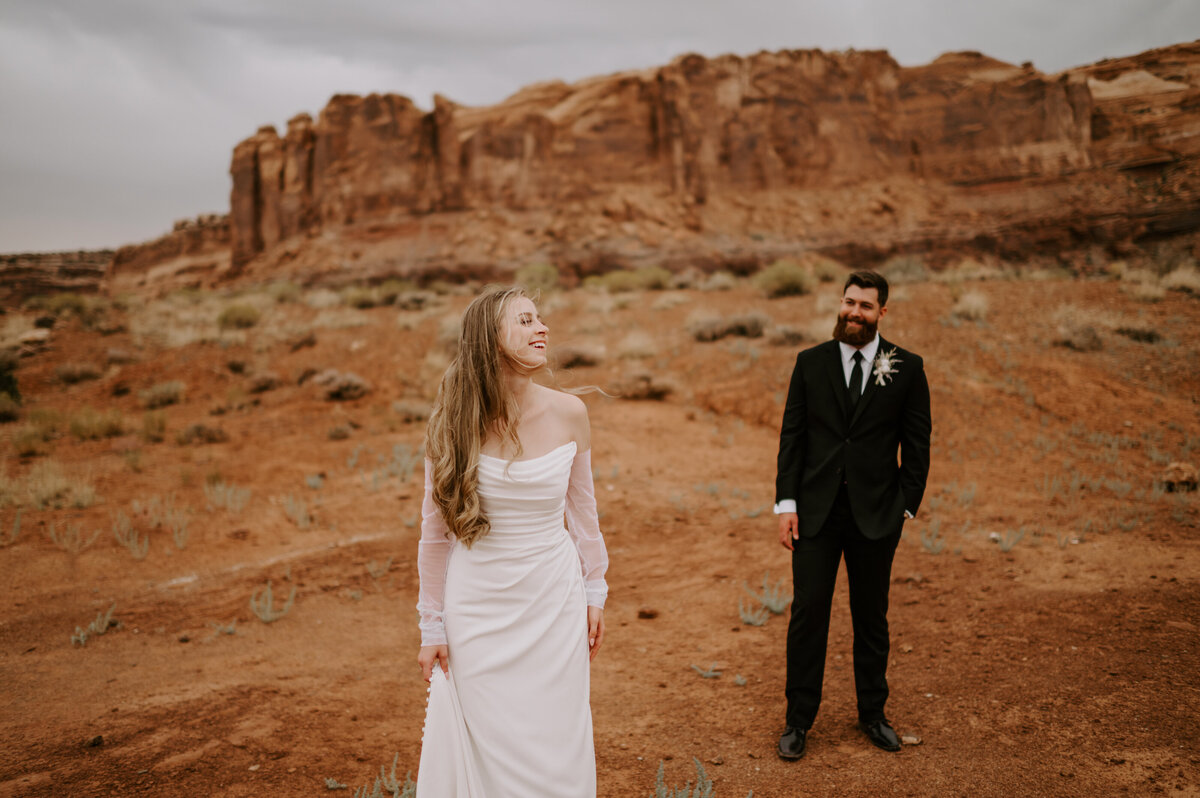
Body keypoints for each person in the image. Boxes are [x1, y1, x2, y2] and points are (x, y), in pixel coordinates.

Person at [414, 285, 608, 797]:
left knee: (556, 734)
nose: (541, 327)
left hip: (552, 600)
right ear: (489, 340)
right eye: (524, 320)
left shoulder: (570, 413)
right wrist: (431, 624)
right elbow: (434, 537)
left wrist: (595, 589)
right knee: (487, 739)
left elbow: (584, 515)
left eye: (539, 318)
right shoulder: (452, 423)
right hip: (477, 607)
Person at [773, 270, 931, 760]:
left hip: (876, 517)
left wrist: (903, 504)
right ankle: (798, 721)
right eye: (848, 302)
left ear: (882, 312)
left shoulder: (906, 367)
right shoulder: (810, 363)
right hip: (815, 515)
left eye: (865, 305)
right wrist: (787, 504)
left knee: (871, 617)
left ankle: (873, 714)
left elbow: (917, 444)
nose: (853, 312)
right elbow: (792, 439)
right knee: (807, 615)